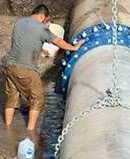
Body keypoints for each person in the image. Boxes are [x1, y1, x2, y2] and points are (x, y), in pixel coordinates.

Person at [5, 4, 84, 132]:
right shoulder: (41, 28)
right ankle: (30, 131)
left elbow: (22, 41)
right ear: (42, 16)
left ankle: (7, 127)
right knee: (38, 99)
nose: (46, 23)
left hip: (10, 67)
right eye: (47, 20)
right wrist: (73, 47)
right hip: (26, 70)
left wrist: (40, 47)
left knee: (12, 97)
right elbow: (57, 41)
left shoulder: (19, 23)